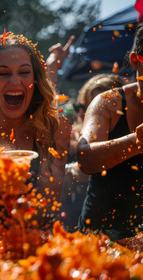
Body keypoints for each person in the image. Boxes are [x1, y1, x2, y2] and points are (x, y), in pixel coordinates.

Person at [0, 33, 71, 228]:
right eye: (4, 73)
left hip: (32, 237)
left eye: (24, 72)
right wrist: (3, 172)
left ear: (36, 78)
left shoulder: (56, 128)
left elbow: (47, 208)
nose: (15, 81)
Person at [77, 23, 143, 240]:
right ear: (136, 60)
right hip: (99, 239)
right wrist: (137, 141)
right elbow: (85, 158)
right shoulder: (109, 102)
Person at [60, 74, 125, 229]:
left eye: (91, 109)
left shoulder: (131, 146)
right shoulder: (68, 142)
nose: (82, 114)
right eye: (79, 107)